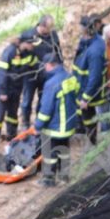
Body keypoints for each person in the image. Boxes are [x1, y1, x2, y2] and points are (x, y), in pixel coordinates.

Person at [0, 31, 37, 165]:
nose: (33, 46)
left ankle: (12, 141)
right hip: (3, 89)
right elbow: (2, 73)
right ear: (25, 43)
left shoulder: (29, 53)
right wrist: (3, 92)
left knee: (12, 116)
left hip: (16, 89)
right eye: (31, 44)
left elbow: (34, 67)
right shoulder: (10, 51)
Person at [34, 53, 79, 186]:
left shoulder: (51, 84)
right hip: (69, 124)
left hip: (55, 126)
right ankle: (64, 177)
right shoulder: (70, 77)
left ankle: (48, 180)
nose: (45, 69)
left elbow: (46, 109)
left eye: (45, 66)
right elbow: (76, 93)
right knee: (64, 151)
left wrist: (38, 126)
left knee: (50, 154)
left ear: (50, 65)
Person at [21, 14, 63, 129]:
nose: (50, 31)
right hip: (29, 74)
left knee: (43, 98)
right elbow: (19, 54)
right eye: (49, 28)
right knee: (27, 99)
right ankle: (25, 122)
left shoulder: (53, 35)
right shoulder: (28, 35)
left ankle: (39, 123)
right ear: (42, 26)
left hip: (46, 74)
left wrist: (60, 68)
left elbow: (58, 52)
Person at [74, 14, 106, 144]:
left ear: (86, 30)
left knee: (89, 117)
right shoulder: (87, 42)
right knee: (84, 116)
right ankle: (86, 135)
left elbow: (95, 76)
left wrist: (86, 97)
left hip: (89, 91)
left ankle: (93, 141)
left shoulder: (95, 50)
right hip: (81, 86)